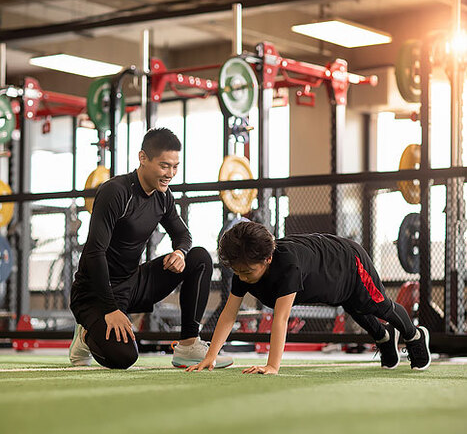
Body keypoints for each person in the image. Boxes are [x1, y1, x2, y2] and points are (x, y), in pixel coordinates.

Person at [69, 127, 233, 370]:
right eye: (164, 166)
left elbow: (183, 235)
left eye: (176, 166)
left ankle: (188, 344)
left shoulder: (163, 196)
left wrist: (179, 252)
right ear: (143, 158)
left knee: (198, 257)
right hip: (93, 292)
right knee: (124, 357)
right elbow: (94, 253)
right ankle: (85, 335)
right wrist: (110, 309)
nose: (171, 174)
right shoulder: (116, 192)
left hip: (132, 284)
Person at [187, 222, 431, 375]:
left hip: (349, 261)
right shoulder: (245, 269)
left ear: (267, 259)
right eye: (238, 272)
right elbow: (229, 314)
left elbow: (280, 319)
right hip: (328, 282)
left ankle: (414, 335)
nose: (242, 277)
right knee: (353, 305)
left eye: (247, 272)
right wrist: (211, 356)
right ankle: (385, 339)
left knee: (376, 304)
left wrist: (272, 366)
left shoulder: (287, 266)